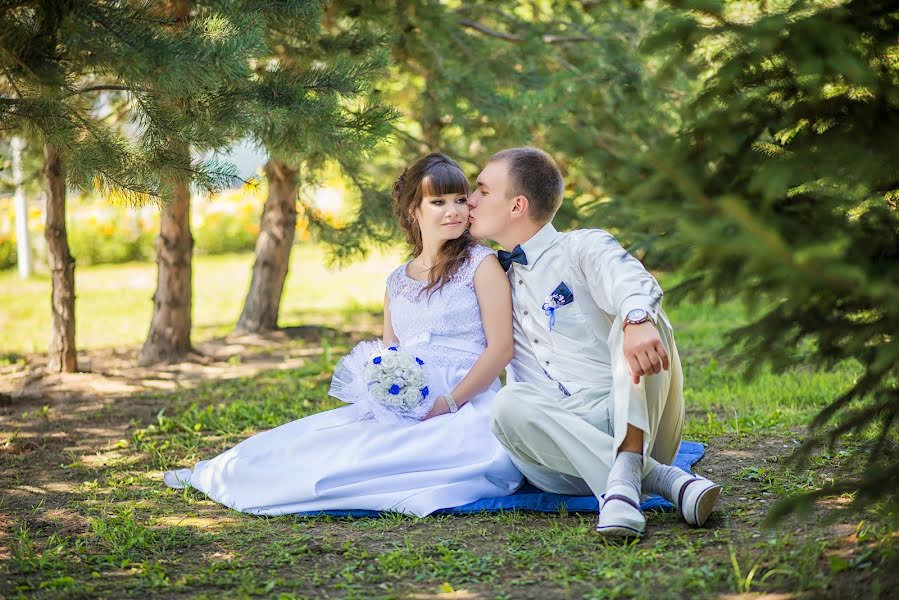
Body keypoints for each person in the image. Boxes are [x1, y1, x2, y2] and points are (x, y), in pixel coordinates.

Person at [163, 153, 523, 516]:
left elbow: (501, 349)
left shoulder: (482, 264)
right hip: (408, 399)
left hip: (467, 402)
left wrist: (448, 403)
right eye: (439, 202)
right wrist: (384, 399)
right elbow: (390, 351)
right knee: (321, 442)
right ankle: (223, 473)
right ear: (414, 210)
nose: (455, 211)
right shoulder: (398, 281)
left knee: (380, 462)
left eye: (461, 200)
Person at [467, 147, 721, 537]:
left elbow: (630, 281)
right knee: (506, 404)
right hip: (556, 450)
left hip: (632, 414)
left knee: (639, 317)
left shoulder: (581, 247)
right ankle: (661, 482)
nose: (470, 200)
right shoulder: (490, 276)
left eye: (482, 191)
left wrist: (637, 318)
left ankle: (628, 471)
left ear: (517, 205)